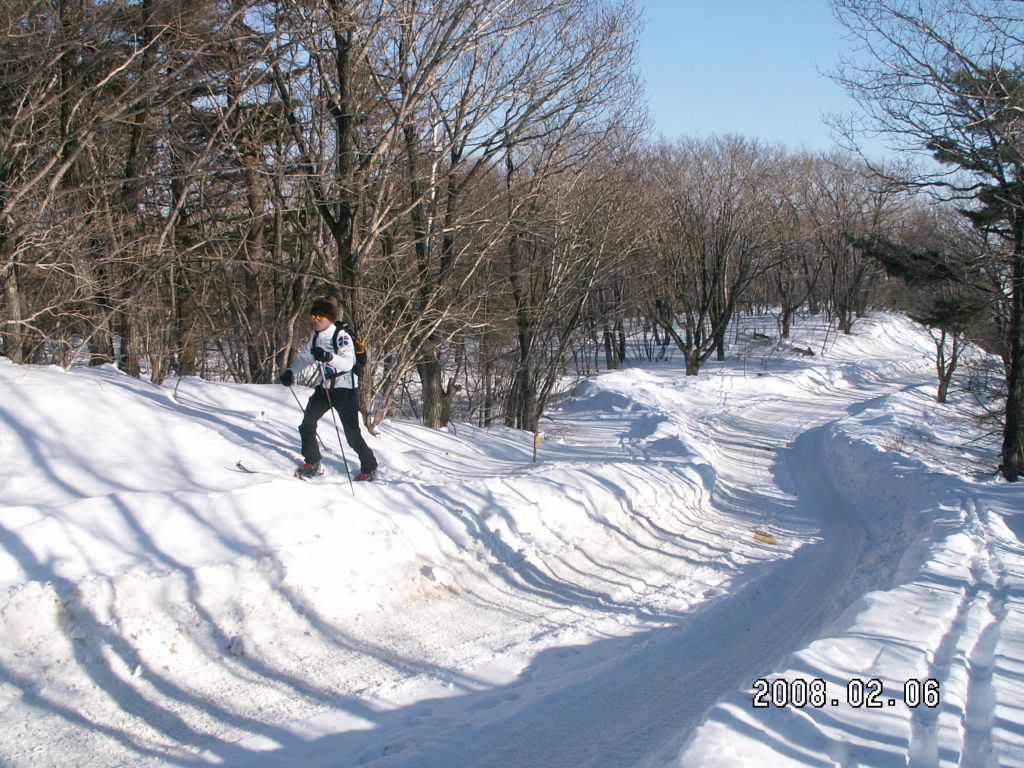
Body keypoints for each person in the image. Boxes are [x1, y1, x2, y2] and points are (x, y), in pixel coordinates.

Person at [279, 298, 378, 480]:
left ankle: (369, 467)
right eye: (314, 316)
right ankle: (313, 462)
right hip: (323, 388)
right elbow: (305, 359)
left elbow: (348, 362)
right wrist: (290, 372)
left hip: (344, 389)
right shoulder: (315, 336)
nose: (316, 320)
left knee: (352, 435)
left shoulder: (341, 336)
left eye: (320, 317)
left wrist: (327, 356)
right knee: (307, 425)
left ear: (330, 319)